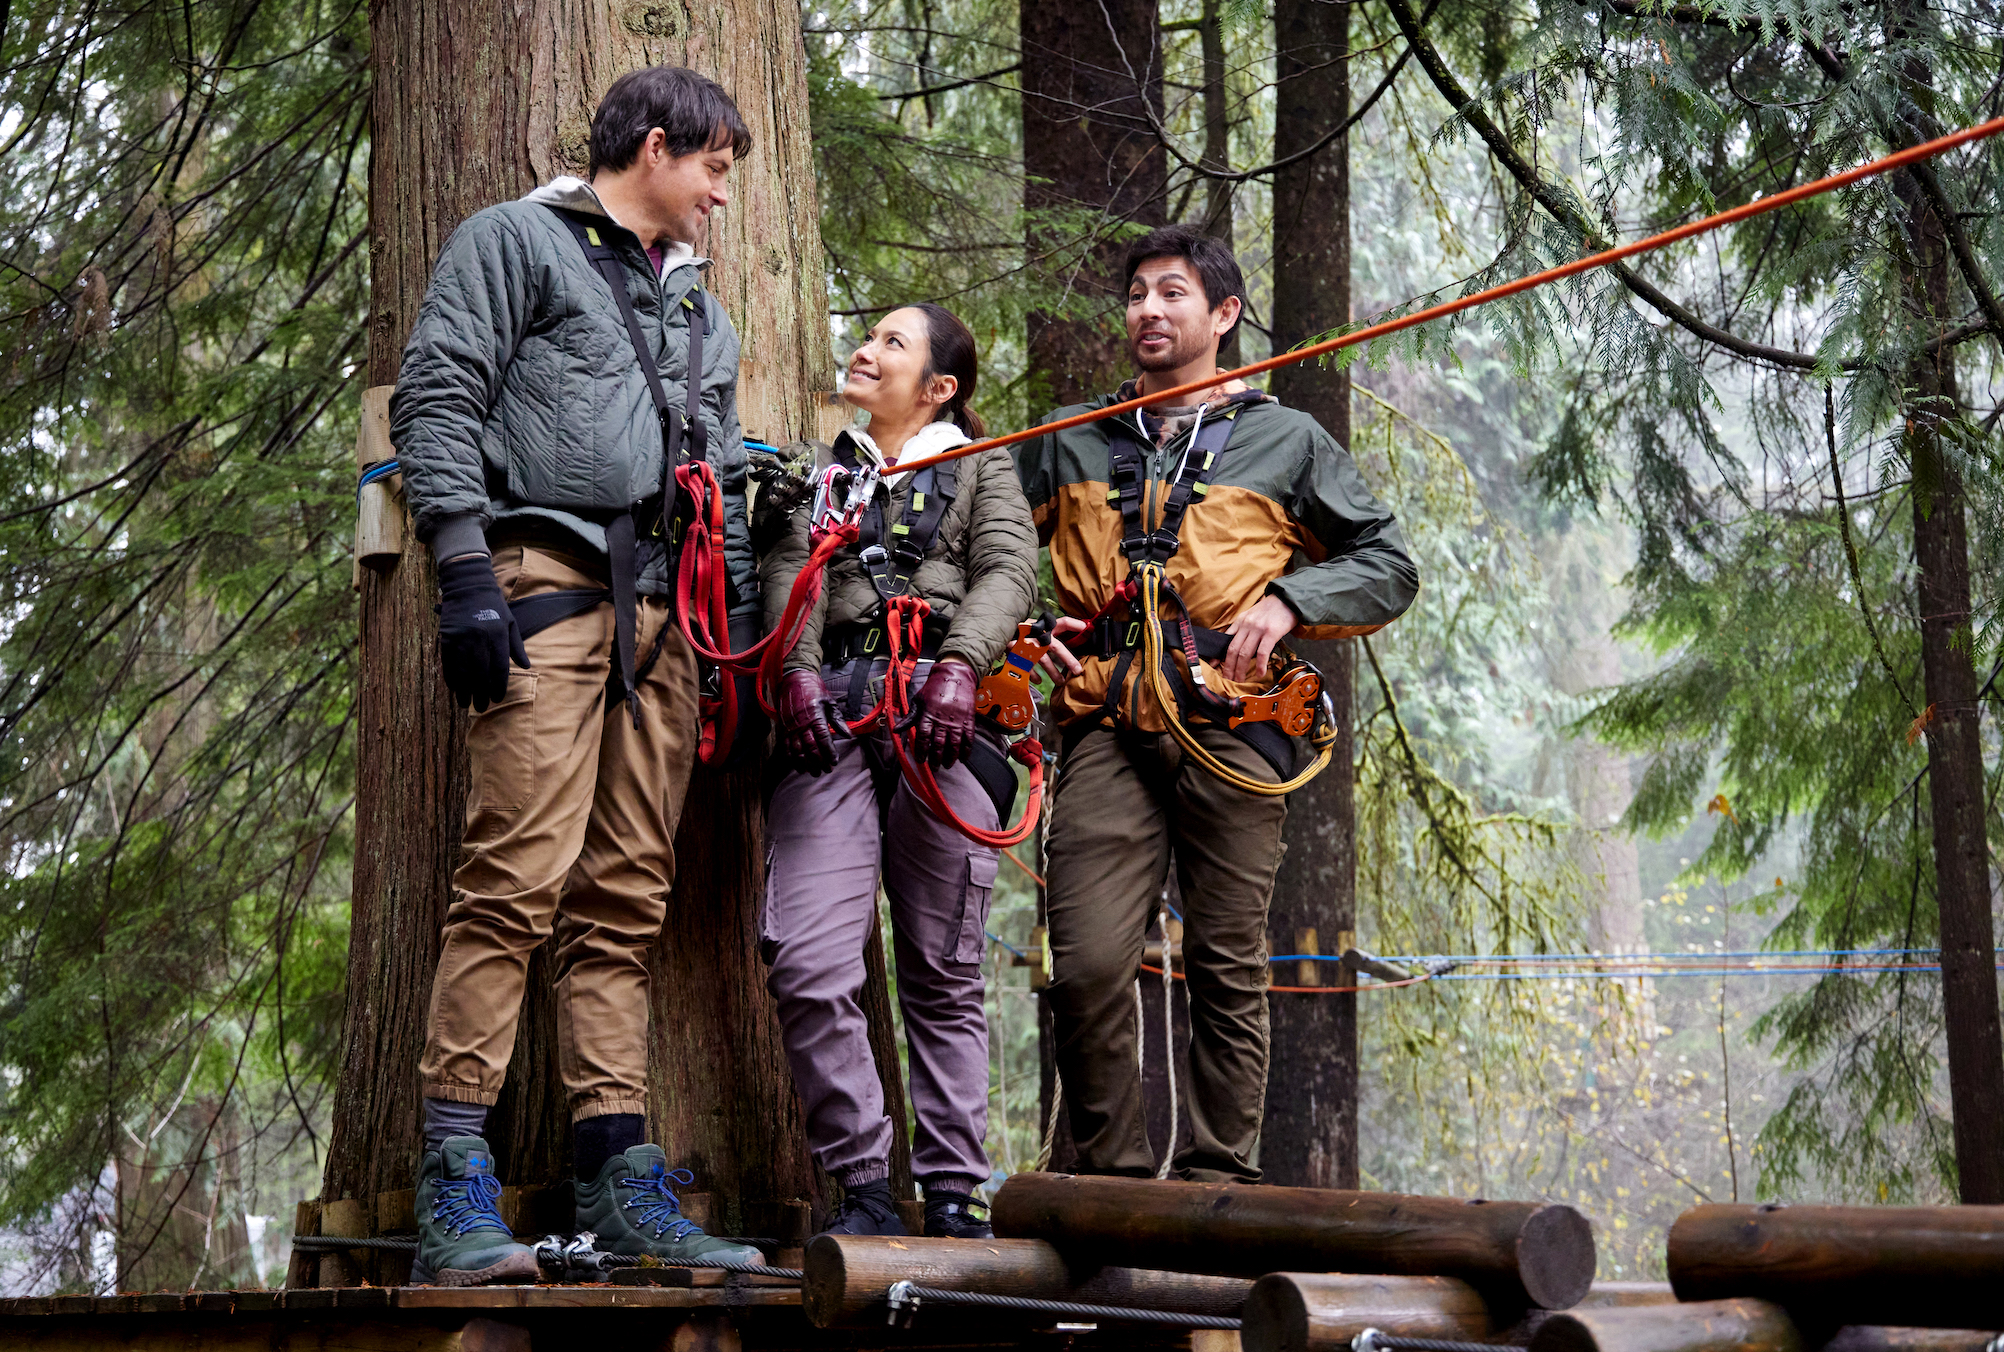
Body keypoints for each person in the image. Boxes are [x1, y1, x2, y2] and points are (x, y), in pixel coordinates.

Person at [390, 66, 763, 1284]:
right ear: (655, 148)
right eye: (712, 166)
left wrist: (735, 648)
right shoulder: (514, 241)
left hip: (667, 621)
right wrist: (460, 567)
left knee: (622, 903)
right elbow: (438, 392)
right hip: (541, 586)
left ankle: (616, 1171)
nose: (721, 192)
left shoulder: (705, 316)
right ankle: (456, 1177)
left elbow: (713, 479)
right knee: (512, 880)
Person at [1011, 226, 1419, 1182]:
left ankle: (1214, 1183)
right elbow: (977, 540)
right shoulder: (1068, 438)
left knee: (1227, 965)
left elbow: (1388, 564)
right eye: (1137, 294)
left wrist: (1290, 601)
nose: (1148, 310)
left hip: (1235, 725)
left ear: (1224, 315)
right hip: (1108, 723)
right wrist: (1032, 628)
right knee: (1088, 963)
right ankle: (1112, 1184)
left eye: (1173, 293)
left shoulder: (1286, 439)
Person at [756, 303, 1037, 1238]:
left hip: (943, 718)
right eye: (867, 337)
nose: (865, 351)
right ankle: (864, 1186)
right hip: (828, 715)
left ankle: (955, 1191)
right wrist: (793, 679)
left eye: (892, 344)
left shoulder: (983, 466)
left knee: (944, 968)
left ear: (940, 386)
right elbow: (788, 576)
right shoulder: (822, 472)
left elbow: (1007, 572)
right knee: (807, 959)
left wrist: (960, 667)